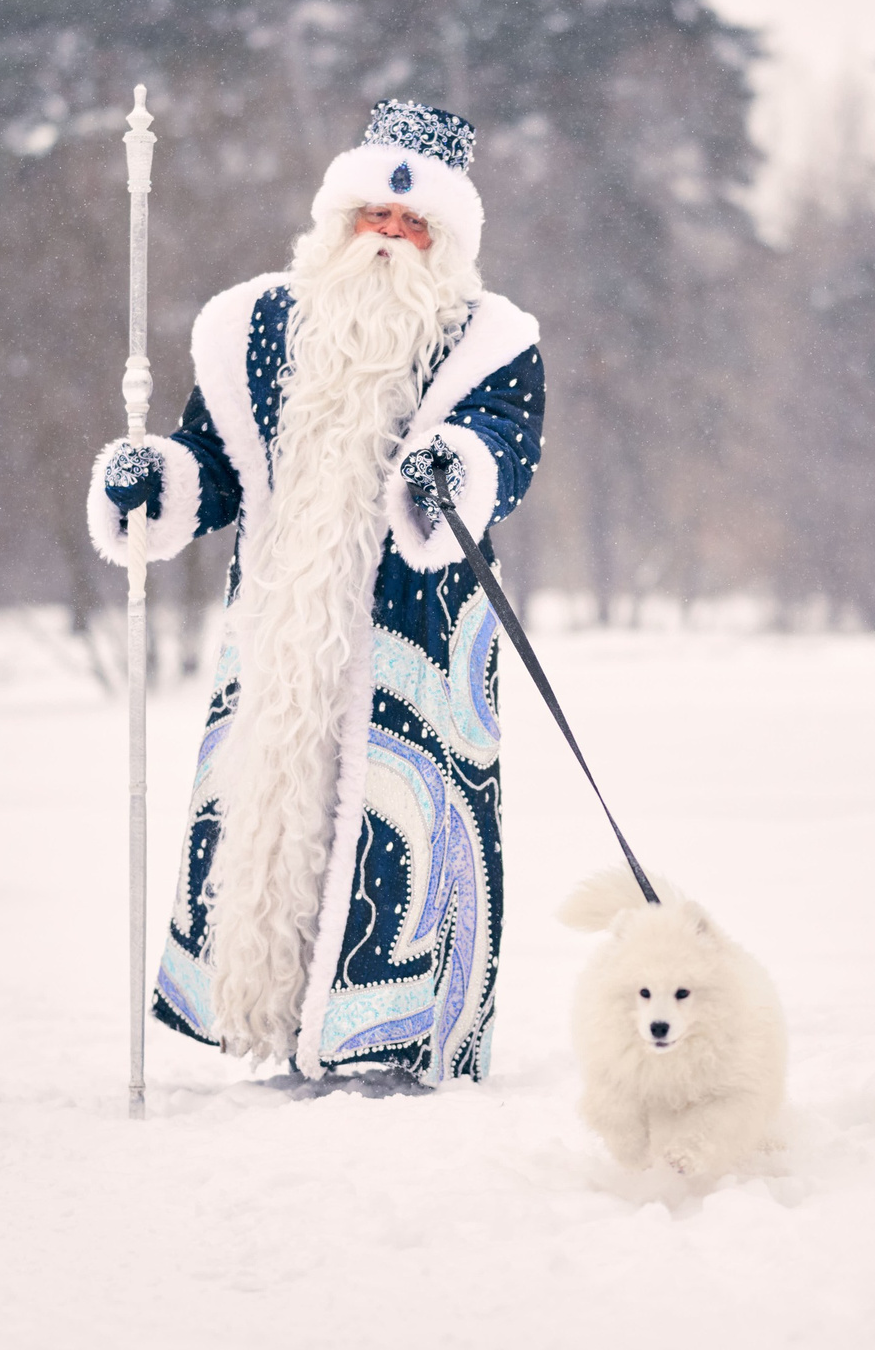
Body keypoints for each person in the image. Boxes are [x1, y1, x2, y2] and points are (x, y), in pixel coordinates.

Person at [88, 100, 544, 1085]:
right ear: (335, 223)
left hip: (418, 631)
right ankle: (268, 1015)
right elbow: (209, 468)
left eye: (412, 225)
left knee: (408, 820)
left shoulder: (489, 340)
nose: (389, 239)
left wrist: (452, 466)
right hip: (281, 624)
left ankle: (394, 1038)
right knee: (267, 805)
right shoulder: (248, 327)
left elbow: (507, 445)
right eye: (373, 219)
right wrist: (151, 480)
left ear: (447, 240)